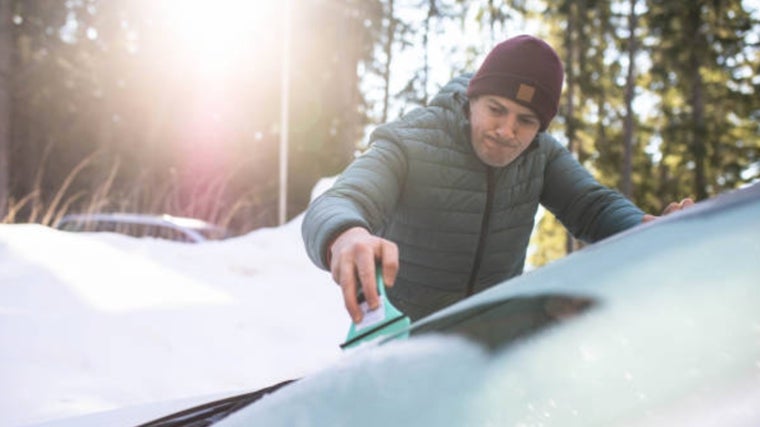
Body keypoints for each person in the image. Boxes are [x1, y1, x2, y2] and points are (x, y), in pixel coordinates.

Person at [301, 35, 693, 324]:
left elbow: (593, 206)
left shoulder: (541, 155)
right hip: (401, 340)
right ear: (472, 98)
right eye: (496, 109)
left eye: (526, 121)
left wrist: (646, 228)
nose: (507, 131)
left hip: (487, 340)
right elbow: (342, 199)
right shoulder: (411, 140)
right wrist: (347, 234)